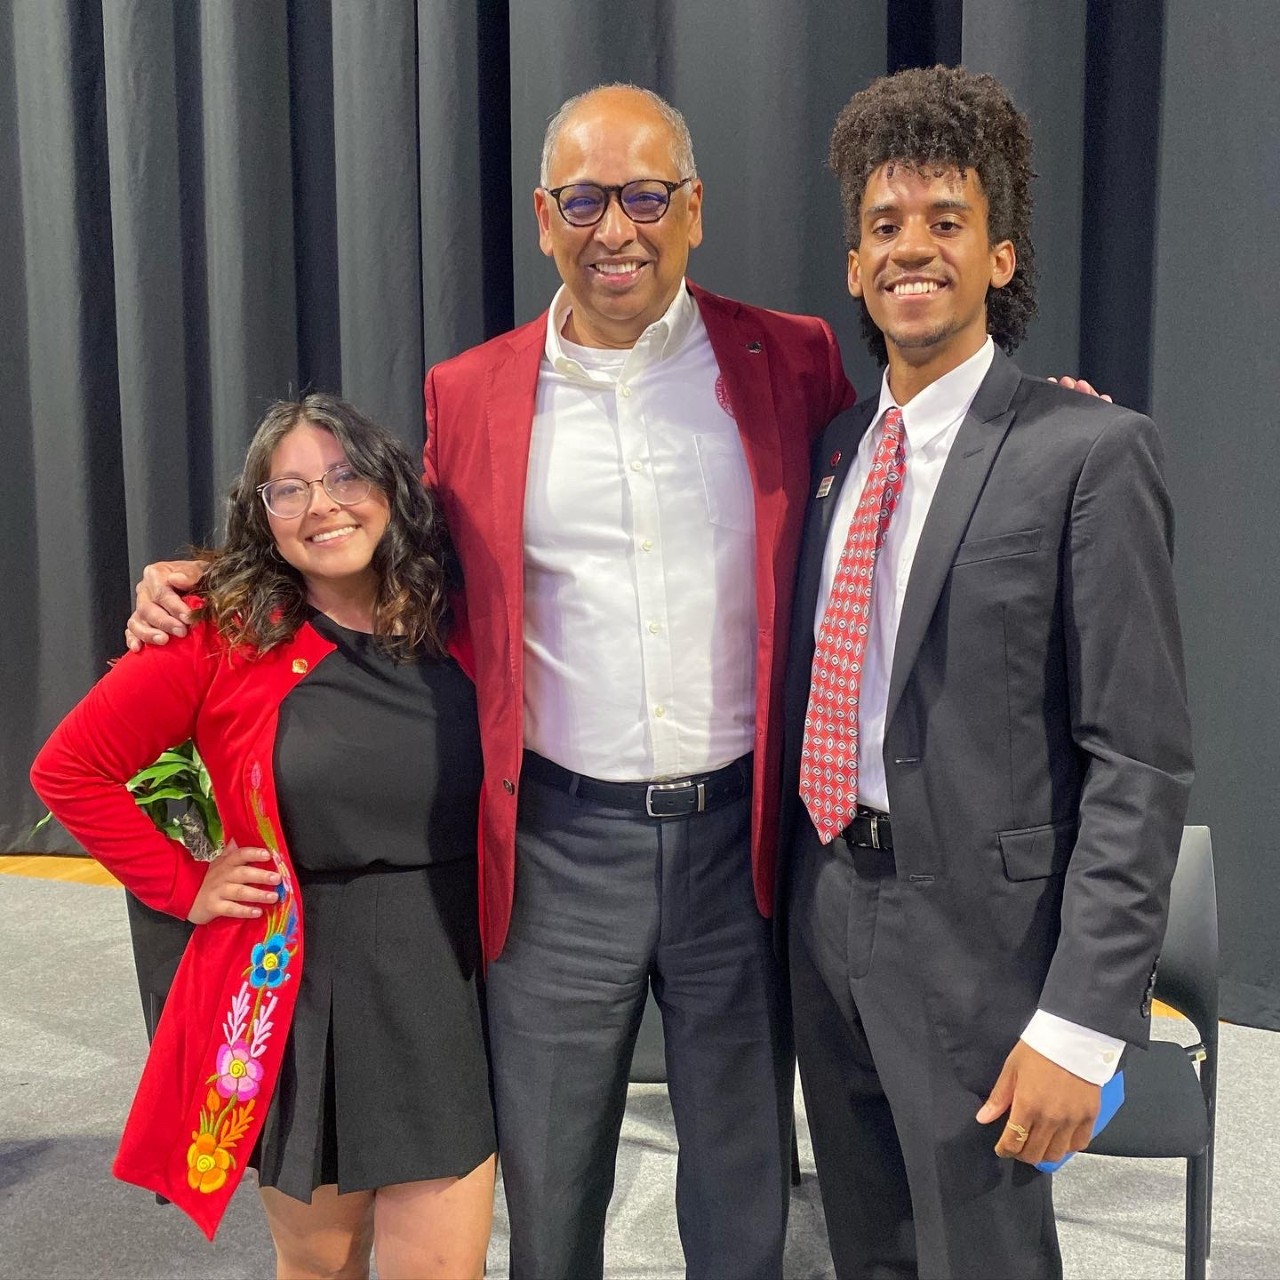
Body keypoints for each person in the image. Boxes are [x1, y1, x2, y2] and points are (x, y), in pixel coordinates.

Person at [130, 84, 854, 1278]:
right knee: (548, 1175)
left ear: (694, 209)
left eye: (641, 196)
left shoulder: (792, 357)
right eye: (582, 198)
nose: (612, 227)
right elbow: (379, 538)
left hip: (740, 840)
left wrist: (1032, 421)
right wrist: (208, 579)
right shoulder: (470, 392)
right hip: (561, 847)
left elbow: (887, 469)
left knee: (740, 1178)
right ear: (539, 217)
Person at [780, 66, 1194, 1279]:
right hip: (824, 913)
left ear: (999, 258)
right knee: (868, 1245)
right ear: (853, 267)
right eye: (884, 226)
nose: (913, 249)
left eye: (946, 222)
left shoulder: (1088, 451)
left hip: (983, 943)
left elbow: (1139, 757)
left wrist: (1079, 1024)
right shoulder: (831, 454)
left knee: (983, 1259)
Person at [33, 395, 496, 1279]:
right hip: (300, 983)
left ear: (391, 487)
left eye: (345, 476)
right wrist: (185, 884)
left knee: (442, 1268)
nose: (323, 505)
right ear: (263, 520)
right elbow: (68, 770)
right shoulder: (217, 633)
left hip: (445, 970)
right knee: (321, 1263)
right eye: (289, 490)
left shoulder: (459, 618)